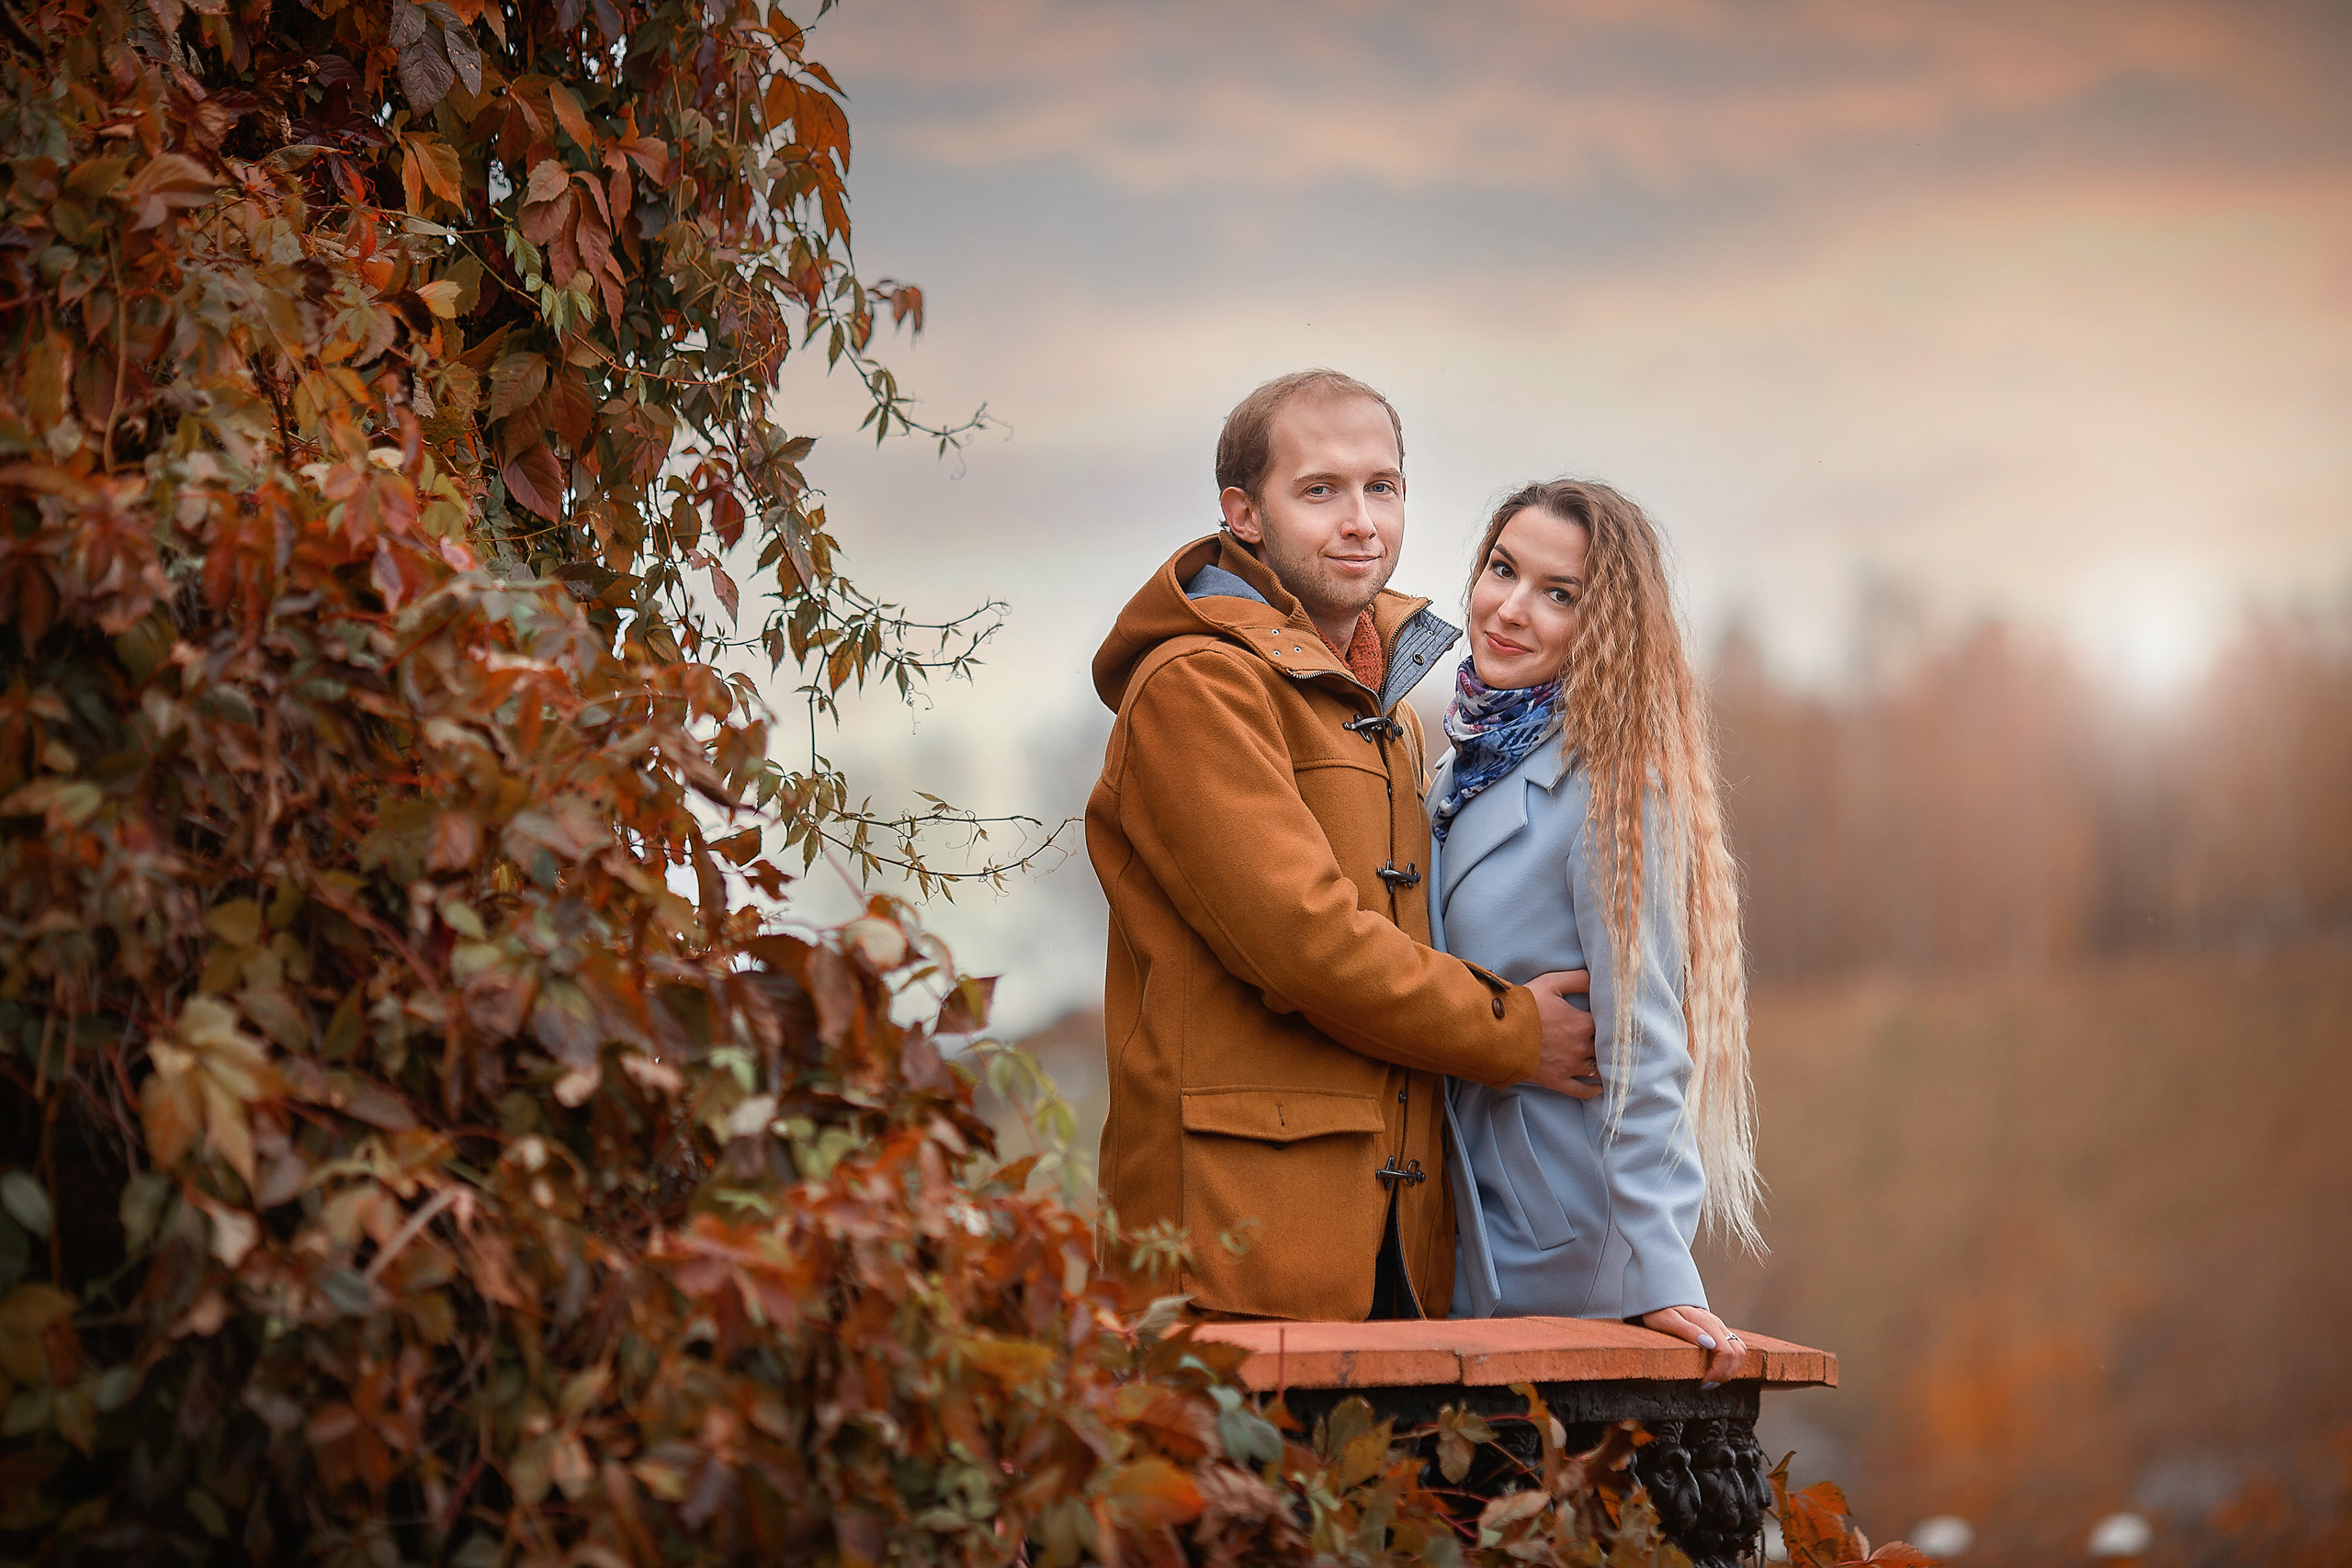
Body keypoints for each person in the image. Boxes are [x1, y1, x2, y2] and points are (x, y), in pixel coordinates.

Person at [1088, 370, 1600, 1323]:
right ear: (1244, 513)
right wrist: (1513, 1032)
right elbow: (1304, 943)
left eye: (1383, 486)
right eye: (1318, 490)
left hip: (1394, 1251)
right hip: (1234, 1252)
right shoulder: (1196, 687)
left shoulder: (1389, 719)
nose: (1360, 520)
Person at [1431, 479, 1763, 1384]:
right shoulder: (1453, 772)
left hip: (1557, 1251)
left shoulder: (1613, 792)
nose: (1509, 609)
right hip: (1451, 1218)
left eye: (1557, 593)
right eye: (1501, 569)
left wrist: (1659, 1265)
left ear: (1603, 625)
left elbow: (1644, 1042)